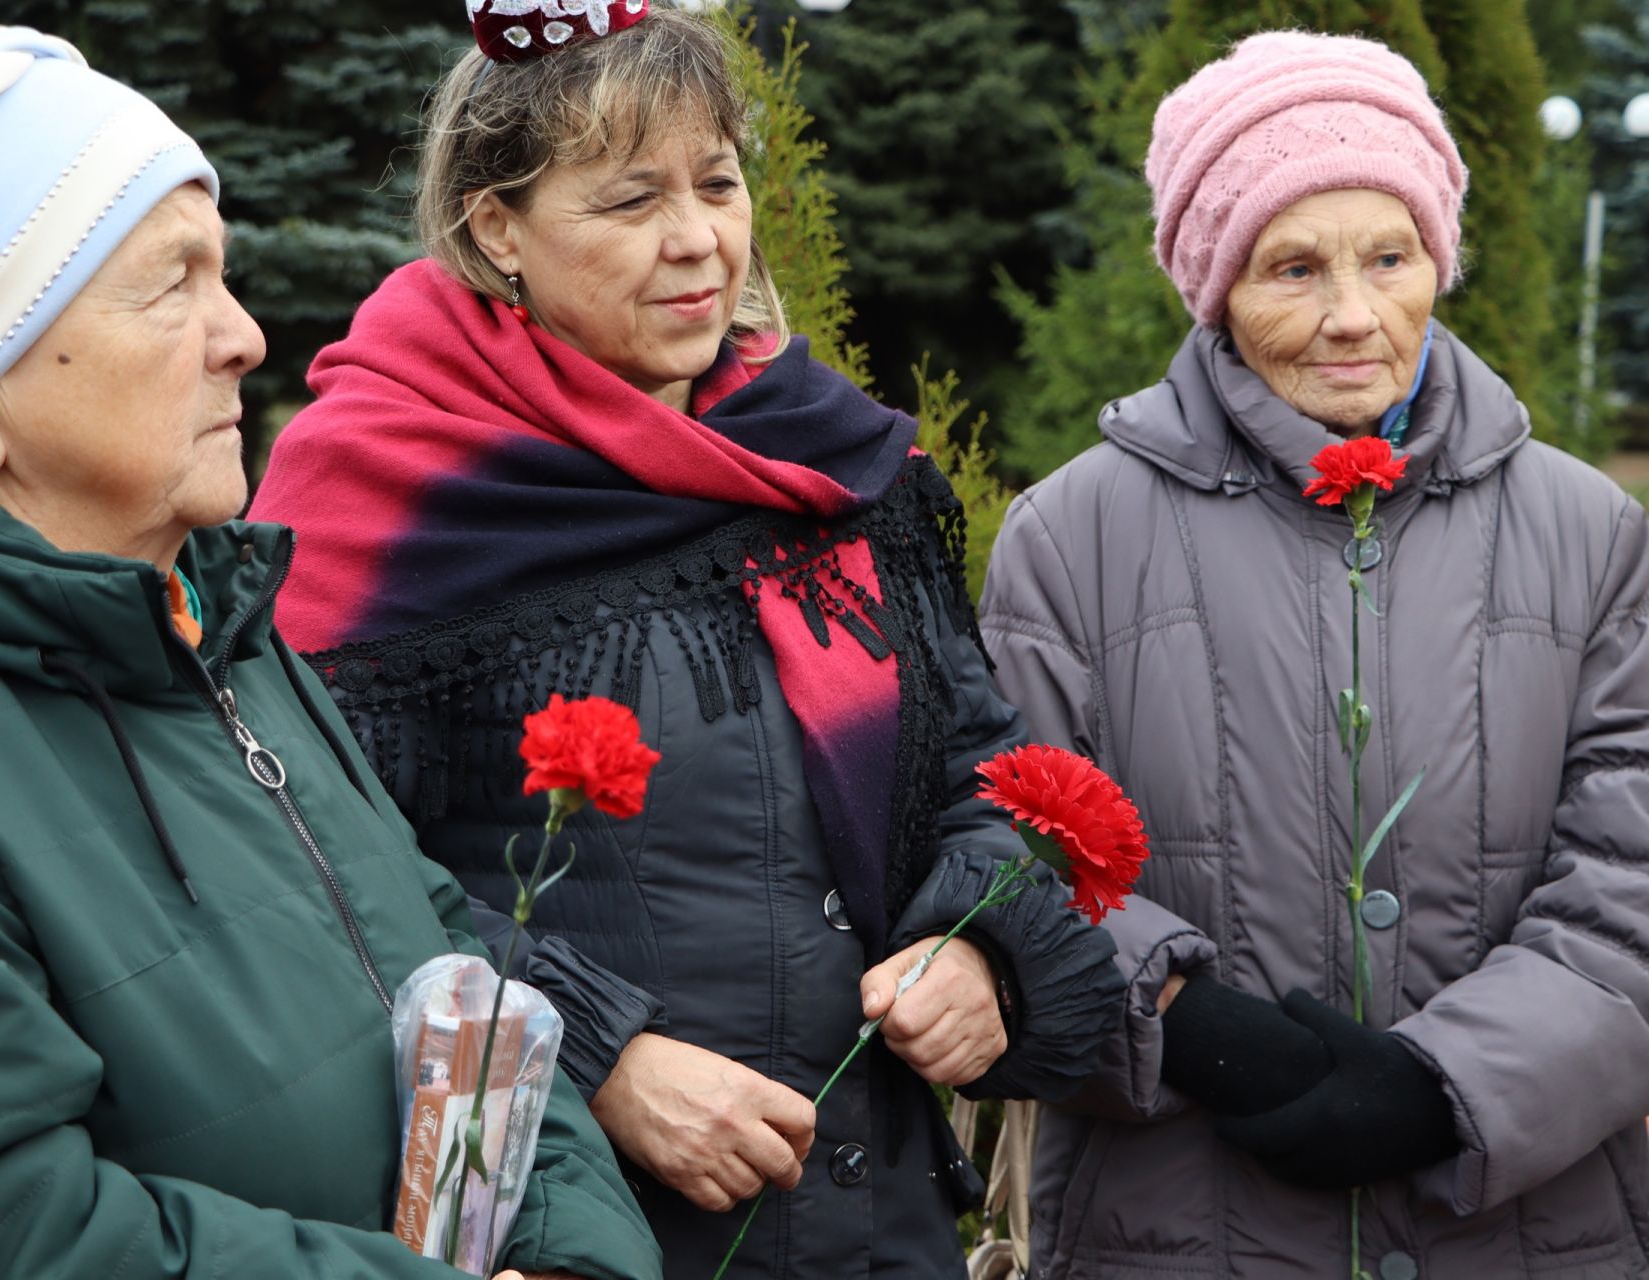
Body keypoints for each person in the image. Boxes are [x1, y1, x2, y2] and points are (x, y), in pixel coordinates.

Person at [0, 26, 660, 1280]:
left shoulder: (207, 620)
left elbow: (446, 959)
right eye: (173, 285)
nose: (244, 337)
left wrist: (566, 1251)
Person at [245, 6, 1126, 1276]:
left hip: (881, 1225)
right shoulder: (382, 493)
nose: (697, 239)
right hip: (584, 1230)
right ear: (498, 226)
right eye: (629, 200)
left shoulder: (828, 456)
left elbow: (978, 767)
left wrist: (980, 946)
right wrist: (595, 1059)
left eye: (718, 182)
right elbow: (309, 870)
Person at [981, 31, 1649, 1278]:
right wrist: (1201, 1032)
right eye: (1292, 267)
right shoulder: (1069, 538)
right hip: (1179, 1222)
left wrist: (1444, 1086)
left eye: (1390, 257)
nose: (1354, 315)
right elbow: (1002, 849)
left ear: (1436, 257)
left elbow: (1634, 867)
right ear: (1215, 282)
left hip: (1529, 1230)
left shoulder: (1592, 533)